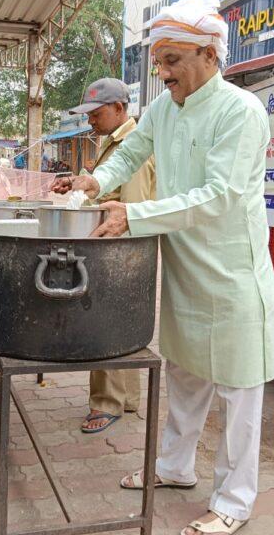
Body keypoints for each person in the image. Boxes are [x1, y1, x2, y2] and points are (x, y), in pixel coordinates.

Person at [52, 0, 274, 535]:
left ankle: (235, 499)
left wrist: (133, 215)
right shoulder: (163, 108)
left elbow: (220, 195)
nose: (163, 72)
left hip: (231, 272)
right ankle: (175, 467)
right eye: (159, 61)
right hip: (185, 266)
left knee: (238, 391)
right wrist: (95, 181)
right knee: (184, 374)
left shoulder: (240, 111)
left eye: (172, 60)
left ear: (209, 54)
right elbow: (131, 154)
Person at [67, 78, 155, 433]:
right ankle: (126, 398)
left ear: (120, 108)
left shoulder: (134, 145)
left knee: (106, 324)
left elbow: (131, 209)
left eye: (96, 113)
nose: (90, 120)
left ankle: (107, 402)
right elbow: (109, 191)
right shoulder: (114, 142)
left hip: (121, 251)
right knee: (123, 323)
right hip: (118, 249)